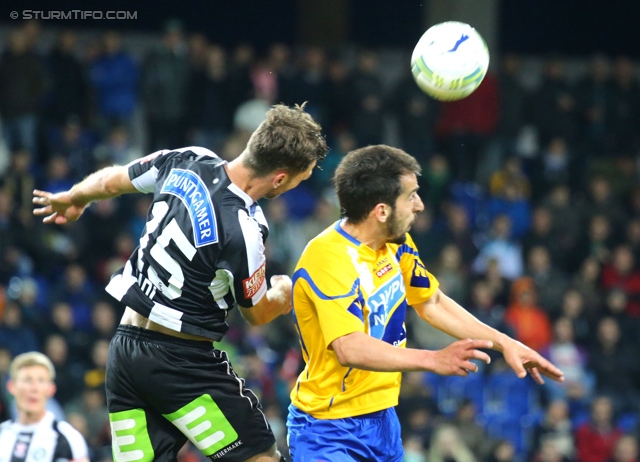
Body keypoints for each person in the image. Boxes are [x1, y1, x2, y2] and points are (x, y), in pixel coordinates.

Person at [33, 103, 328, 462]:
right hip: (179, 362)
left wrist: (75, 197)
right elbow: (259, 313)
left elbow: (113, 181)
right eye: (302, 176)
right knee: (258, 455)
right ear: (280, 178)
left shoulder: (189, 158)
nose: (299, 184)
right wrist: (288, 288)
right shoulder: (243, 229)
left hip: (124, 353)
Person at [286, 145, 564, 461]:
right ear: (381, 211)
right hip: (328, 427)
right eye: (411, 196)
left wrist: (504, 342)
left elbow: (430, 301)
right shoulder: (328, 258)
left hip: (382, 419)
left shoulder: (396, 241)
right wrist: (433, 359)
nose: (419, 205)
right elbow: (349, 348)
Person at [0, 352, 89, 462]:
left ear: (51, 389)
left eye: (41, 381)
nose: (34, 388)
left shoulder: (68, 438)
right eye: (27, 380)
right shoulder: (2, 434)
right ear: (11, 387)